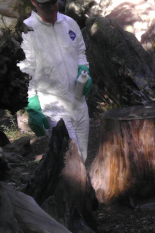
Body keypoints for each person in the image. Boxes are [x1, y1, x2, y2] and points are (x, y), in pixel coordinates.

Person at [18, 0, 92, 163]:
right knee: (70, 158)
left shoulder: (69, 23)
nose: (52, 8)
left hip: (78, 100)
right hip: (53, 105)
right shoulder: (27, 30)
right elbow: (26, 71)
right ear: (34, 3)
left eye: (54, 2)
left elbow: (80, 52)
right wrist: (32, 103)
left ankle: (83, 187)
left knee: (83, 155)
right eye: (46, 4)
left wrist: (83, 70)